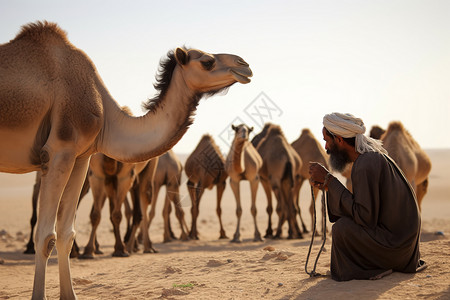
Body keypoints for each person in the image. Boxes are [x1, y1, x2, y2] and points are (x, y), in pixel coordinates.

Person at [309, 112, 426, 281]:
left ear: (340, 140)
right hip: (404, 248)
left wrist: (330, 180)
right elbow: (366, 210)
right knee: (343, 226)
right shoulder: (371, 158)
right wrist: (329, 186)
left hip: (396, 249)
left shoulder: (365, 163)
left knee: (341, 229)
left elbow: (364, 217)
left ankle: (373, 268)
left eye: (327, 141)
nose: (326, 148)